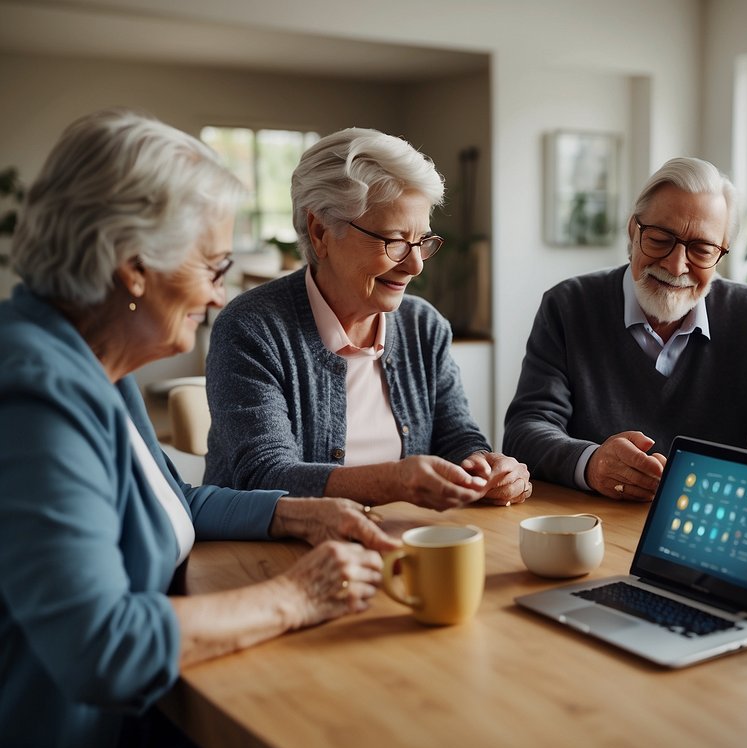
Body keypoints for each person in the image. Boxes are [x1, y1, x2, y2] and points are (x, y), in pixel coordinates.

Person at [0, 109, 399, 748]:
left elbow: (162, 498)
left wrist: (294, 511)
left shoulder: (94, 361)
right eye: (213, 268)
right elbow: (103, 646)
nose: (220, 294)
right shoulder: (35, 393)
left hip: (149, 735)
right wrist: (296, 596)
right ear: (133, 266)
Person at [203, 128, 530, 509]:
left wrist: (486, 467)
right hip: (268, 544)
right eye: (395, 241)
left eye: (422, 241)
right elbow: (265, 475)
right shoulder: (251, 328)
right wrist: (394, 482)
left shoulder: (424, 326)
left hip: (398, 538)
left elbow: (456, 437)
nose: (416, 265)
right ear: (321, 232)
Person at [502, 156, 747, 500]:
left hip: (705, 518)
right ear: (633, 231)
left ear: (722, 254)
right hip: (589, 520)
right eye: (660, 239)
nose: (676, 266)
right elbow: (525, 430)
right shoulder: (568, 304)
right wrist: (591, 463)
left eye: (702, 249)